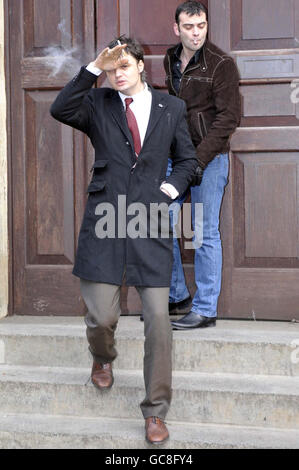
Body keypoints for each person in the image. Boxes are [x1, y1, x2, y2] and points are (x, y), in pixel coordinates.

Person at [50, 36, 197, 444]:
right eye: (112, 68)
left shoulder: (172, 108)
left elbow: (187, 160)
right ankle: (103, 357)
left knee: (159, 323)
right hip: (104, 223)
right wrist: (93, 67)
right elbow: (59, 107)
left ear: (140, 67)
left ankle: (155, 411)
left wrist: (170, 190)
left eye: (124, 66)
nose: (117, 74)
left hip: (149, 224)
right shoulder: (97, 104)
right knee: (101, 317)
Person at [163, 1, 241, 330]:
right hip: (178, 157)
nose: (197, 33)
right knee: (158, 219)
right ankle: (178, 295)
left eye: (202, 26)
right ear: (177, 28)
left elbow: (229, 118)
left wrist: (199, 160)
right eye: (190, 27)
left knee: (205, 231)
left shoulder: (221, 64)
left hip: (210, 158)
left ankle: (206, 309)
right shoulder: (171, 59)